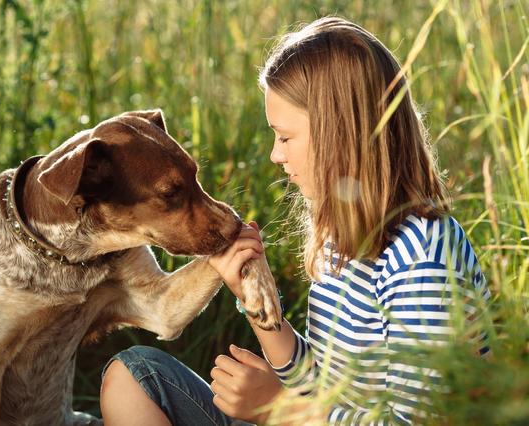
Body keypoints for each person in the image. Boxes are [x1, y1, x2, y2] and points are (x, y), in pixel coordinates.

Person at [99, 16, 490, 425]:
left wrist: (279, 409)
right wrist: (260, 307)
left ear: (340, 134)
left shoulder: (420, 257)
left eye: (284, 137)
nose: (276, 155)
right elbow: (321, 386)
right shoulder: (343, 236)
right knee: (136, 376)